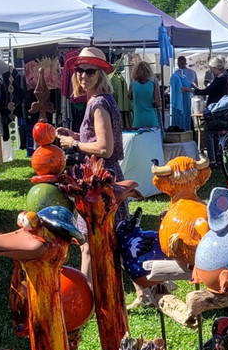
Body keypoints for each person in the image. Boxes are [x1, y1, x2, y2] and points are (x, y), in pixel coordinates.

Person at [57, 48, 127, 275]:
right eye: (79, 71)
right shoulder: (103, 100)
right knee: (116, 237)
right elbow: (99, 138)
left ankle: (84, 293)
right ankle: (144, 290)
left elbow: (105, 149)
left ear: (101, 75)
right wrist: (76, 135)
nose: (83, 76)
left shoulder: (97, 104)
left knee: (89, 242)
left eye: (90, 71)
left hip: (100, 179)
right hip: (107, 175)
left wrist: (74, 144)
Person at [129, 60, 161, 130]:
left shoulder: (133, 84)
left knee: (139, 140)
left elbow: (130, 97)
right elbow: (158, 104)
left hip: (138, 119)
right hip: (151, 118)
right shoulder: (152, 84)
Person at [169, 55, 195, 130]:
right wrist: (192, 89)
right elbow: (180, 89)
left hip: (186, 103)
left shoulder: (184, 76)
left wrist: (192, 87)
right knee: (180, 124)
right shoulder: (175, 76)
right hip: (179, 104)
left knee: (186, 121)